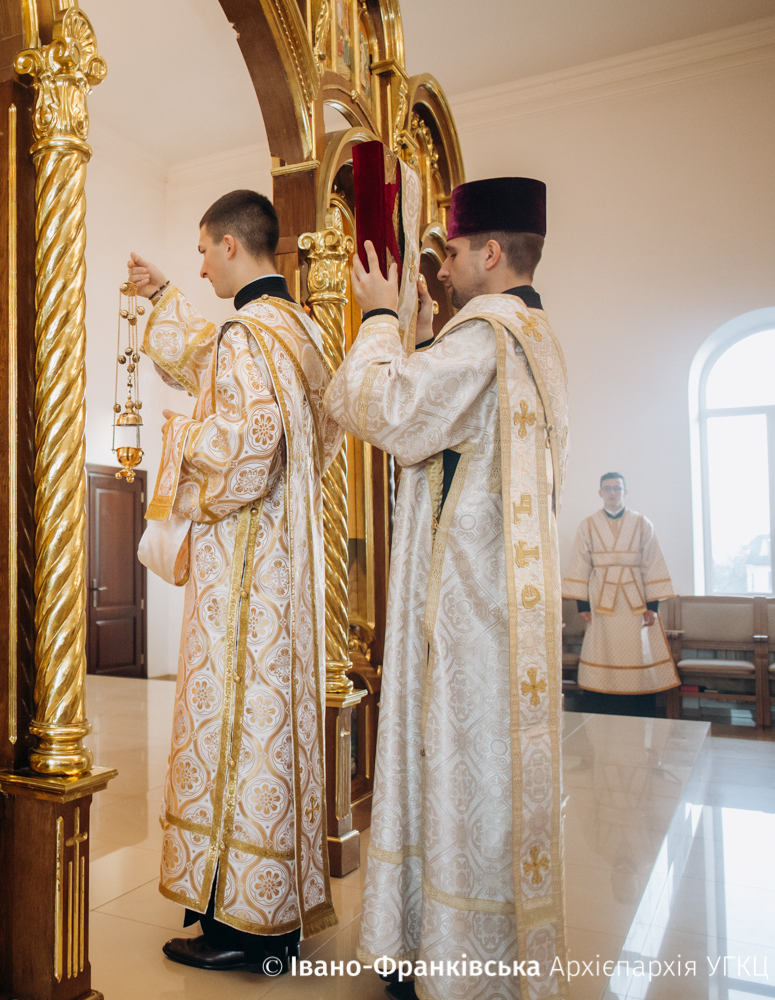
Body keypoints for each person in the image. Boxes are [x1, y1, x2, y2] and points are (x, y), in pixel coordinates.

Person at [325, 176, 570, 1000]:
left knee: (459, 775)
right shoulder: (535, 337)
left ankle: (457, 966)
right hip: (506, 610)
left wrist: (378, 317)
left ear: (491, 253)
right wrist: (427, 337)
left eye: (455, 253)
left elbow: (382, 408)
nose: (445, 268)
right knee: (481, 784)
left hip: (466, 615)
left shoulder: (486, 336)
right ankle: (456, 950)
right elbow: (452, 441)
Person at [127, 189, 339, 973]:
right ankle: (271, 909)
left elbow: (244, 447)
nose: (199, 267)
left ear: (228, 246)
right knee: (269, 734)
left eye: (201, 253)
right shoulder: (301, 331)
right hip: (289, 566)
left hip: (246, 575)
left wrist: (176, 439)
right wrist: (162, 296)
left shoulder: (250, 334)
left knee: (238, 730)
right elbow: (224, 369)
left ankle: (242, 929)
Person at [563, 473, 677, 713]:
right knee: (601, 648)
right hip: (601, 601)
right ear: (600, 493)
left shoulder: (642, 523)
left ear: (625, 492)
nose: (612, 492)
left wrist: (653, 606)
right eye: (607, 488)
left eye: (617, 488)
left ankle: (637, 707)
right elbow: (580, 564)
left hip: (635, 602)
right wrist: (582, 605)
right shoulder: (588, 525)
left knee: (636, 651)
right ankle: (601, 707)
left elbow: (652, 564)